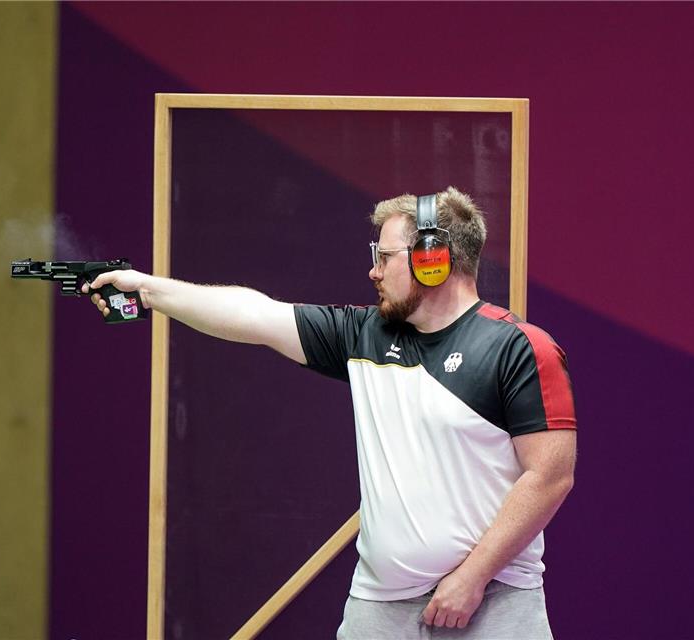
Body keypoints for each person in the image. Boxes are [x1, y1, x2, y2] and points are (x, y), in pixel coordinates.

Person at [83, 186, 576, 639]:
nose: (374, 271)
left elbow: (550, 477)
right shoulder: (365, 335)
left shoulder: (520, 348)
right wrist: (148, 290)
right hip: (378, 607)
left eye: (384, 257)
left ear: (433, 258)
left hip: (494, 601)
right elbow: (253, 313)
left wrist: (472, 577)